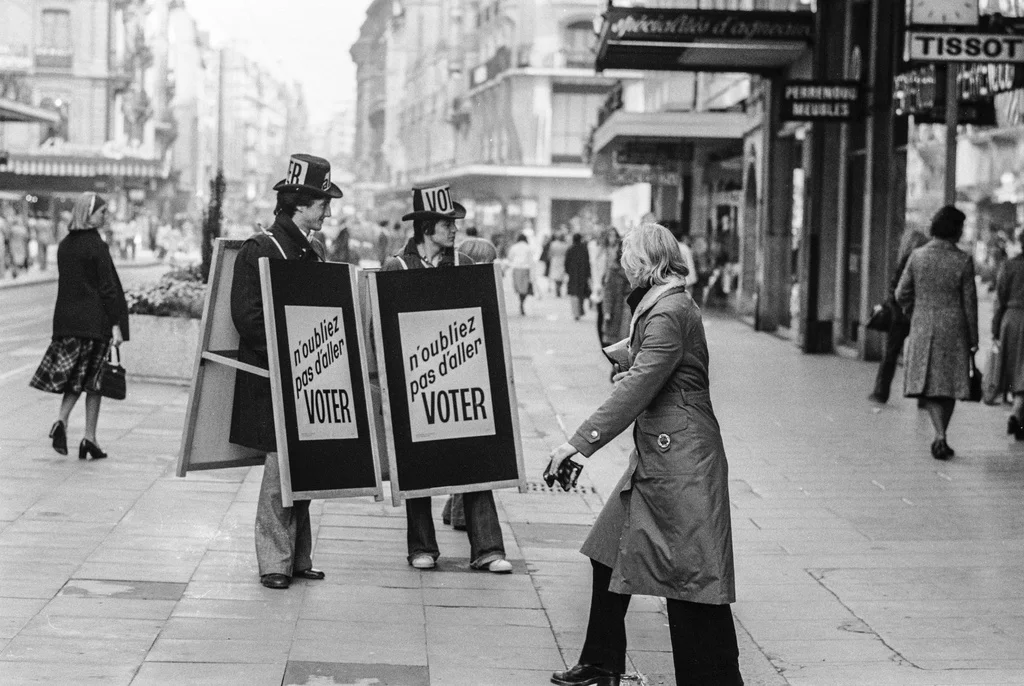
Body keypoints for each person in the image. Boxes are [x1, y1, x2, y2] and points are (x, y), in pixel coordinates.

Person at [546, 223, 741, 686]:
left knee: (691, 577)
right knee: (607, 550)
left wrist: (578, 442)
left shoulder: (669, 310)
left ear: (646, 262)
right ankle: (601, 663)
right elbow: (651, 368)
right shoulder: (662, 303)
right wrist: (630, 361)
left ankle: (713, 680)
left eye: (627, 256)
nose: (621, 263)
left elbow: (642, 385)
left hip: (683, 460)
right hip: (662, 453)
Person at [382, 184, 512, 574]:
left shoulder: (467, 267)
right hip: (417, 380)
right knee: (416, 461)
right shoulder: (397, 268)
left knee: (475, 459)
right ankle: (421, 547)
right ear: (426, 228)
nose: (456, 229)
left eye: (456, 223)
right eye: (447, 223)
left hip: (463, 377)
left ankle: (488, 549)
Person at [229, 153, 341, 589]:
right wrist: (292, 354)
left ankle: (297, 558)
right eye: (322, 203)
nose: (327, 211)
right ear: (301, 204)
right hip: (274, 379)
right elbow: (248, 317)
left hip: (306, 377)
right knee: (280, 475)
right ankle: (274, 562)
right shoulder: (262, 249)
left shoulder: (308, 250)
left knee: (306, 468)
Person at [30, 192, 128, 461]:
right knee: (94, 382)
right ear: (88, 213)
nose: (105, 217)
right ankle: (89, 438)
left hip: (67, 322)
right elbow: (107, 289)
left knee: (76, 379)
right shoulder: (97, 246)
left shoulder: (65, 245)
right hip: (94, 322)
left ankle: (62, 421)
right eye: (102, 212)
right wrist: (117, 325)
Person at [896, 205, 979, 460]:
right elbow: (970, 303)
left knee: (929, 386)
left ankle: (940, 435)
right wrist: (974, 339)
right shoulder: (962, 260)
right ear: (955, 230)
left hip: (923, 325)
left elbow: (901, 293)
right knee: (951, 384)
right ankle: (942, 436)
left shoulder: (917, 256)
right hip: (954, 329)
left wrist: (914, 311)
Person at [869, 226, 929, 403]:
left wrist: (898, 308)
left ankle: (881, 392)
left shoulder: (907, 261)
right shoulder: (919, 261)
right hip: (915, 315)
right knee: (921, 356)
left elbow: (894, 289)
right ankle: (922, 397)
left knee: (891, 354)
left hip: (902, 315)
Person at [992, 230, 1024, 438]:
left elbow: (999, 299)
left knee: (1014, 368)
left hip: (1011, 320)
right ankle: (1017, 414)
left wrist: (995, 328)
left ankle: (1017, 414)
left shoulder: (1009, 265)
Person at [507, 233, 535, 316]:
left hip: (516, 269)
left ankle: (521, 302)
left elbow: (510, 258)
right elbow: (531, 261)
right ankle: (522, 302)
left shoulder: (514, 247)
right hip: (525, 269)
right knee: (525, 288)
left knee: (519, 288)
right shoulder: (528, 247)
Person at [565, 233, 591, 321]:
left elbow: (566, 263)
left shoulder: (570, 249)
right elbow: (588, 262)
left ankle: (576, 312)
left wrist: (569, 272)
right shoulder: (584, 249)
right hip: (582, 275)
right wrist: (588, 273)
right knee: (581, 293)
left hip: (573, 275)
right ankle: (580, 310)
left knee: (574, 294)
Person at [548, 231, 568, 297]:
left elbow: (550, 253)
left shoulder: (553, 244)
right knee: (560, 276)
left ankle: (557, 288)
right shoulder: (565, 245)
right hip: (562, 260)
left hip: (555, 260)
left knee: (556, 276)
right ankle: (558, 288)